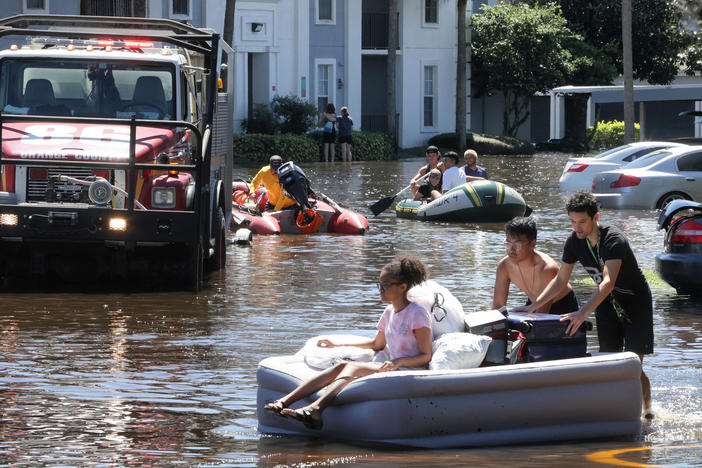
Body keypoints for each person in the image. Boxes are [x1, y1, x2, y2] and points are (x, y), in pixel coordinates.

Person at [513, 191, 653, 417]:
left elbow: (607, 282)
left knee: (633, 365)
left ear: (595, 217)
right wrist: (533, 305)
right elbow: (560, 281)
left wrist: (581, 313)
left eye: (582, 221)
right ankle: (615, 410)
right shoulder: (573, 241)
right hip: (607, 303)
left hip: (635, 302)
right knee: (609, 362)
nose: (577, 227)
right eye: (572, 221)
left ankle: (647, 413)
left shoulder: (613, 240)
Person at [263, 256, 433, 430]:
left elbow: (426, 355)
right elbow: (376, 344)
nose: (380, 290)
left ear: (403, 287)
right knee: (343, 365)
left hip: (410, 369)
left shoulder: (417, 313)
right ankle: (283, 402)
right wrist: (336, 345)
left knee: (352, 367)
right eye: (379, 285)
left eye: (385, 285)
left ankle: (316, 409)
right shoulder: (389, 312)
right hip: (392, 367)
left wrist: (399, 362)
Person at [492, 217, 578, 314]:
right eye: (508, 243)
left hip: (562, 306)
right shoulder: (504, 265)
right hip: (533, 302)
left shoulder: (547, 268)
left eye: (517, 245)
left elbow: (541, 314)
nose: (511, 250)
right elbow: (498, 305)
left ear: (532, 244)